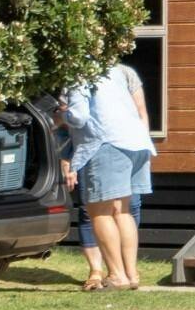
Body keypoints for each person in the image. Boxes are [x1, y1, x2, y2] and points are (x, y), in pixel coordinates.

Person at [62, 61, 155, 291]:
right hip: (136, 142)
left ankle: (117, 276)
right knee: (122, 211)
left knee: (99, 212)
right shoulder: (115, 70)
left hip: (106, 143)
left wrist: (62, 114)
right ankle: (131, 275)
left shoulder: (79, 71)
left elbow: (79, 117)